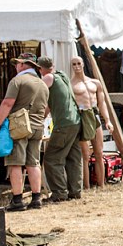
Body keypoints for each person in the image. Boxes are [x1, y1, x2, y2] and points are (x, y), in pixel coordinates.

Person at [0, 52, 50, 212]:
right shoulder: (42, 84)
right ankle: (36, 198)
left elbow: (8, 103)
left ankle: (17, 199)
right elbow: (46, 108)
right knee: (33, 162)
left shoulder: (18, 80)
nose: (16, 66)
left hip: (20, 126)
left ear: (23, 64)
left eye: (17, 63)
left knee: (15, 162)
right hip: (38, 126)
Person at [38, 57, 82, 202]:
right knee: (73, 157)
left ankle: (59, 193)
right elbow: (51, 104)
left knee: (52, 158)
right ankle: (75, 191)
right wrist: (43, 118)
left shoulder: (48, 78)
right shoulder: (62, 76)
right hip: (75, 121)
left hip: (63, 124)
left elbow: (38, 95)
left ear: (41, 69)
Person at [70, 56, 115, 188]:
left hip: (94, 115)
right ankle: (86, 186)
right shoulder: (71, 84)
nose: (77, 66)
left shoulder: (95, 83)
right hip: (81, 116)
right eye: (74, 64)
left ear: (83, 64)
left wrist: (108, 120)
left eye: (79, 63)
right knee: (84, 154)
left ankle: (101, 184)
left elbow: (102, 103)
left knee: (99, 152)